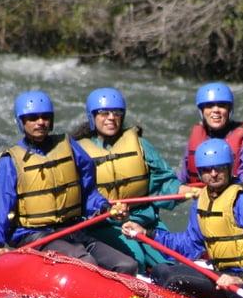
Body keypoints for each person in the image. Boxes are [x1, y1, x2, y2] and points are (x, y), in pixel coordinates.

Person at [0, 90, 138, 275]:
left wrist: (105, 208)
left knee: (127, 265)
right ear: (21, 122)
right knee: (86, 262)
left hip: (73, 230)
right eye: (33, 118)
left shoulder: (69, 147)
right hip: (35, 236)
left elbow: (88, 194)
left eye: (45, 117)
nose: (40, 122)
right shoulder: (10, 161)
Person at [123, 139, 243, 298]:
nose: (213, 174)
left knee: (173, 278)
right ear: (200, 172)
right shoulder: (203, 200)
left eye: (219, 167)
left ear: (229, 167)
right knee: (160, 270)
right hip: (223, 276)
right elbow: (189, 245)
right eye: (207, 170)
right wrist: (148, 233)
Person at [72, 87, 199, 271]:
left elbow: (162, 182)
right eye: (104, 113)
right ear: (92, 117)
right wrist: (105, 209)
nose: (111, 118)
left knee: (171, 261)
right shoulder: (79, 151)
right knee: (136, 259)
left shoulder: (140, 145)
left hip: (145, 220)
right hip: (105, 224)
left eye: (117, 113)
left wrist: (186, 191)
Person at [177, 82, 243, 184]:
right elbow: (181, 180)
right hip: (200, 193)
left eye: (222, 105)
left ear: (229, 110)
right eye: (209, 106)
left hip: (237, 192)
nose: (216, 110)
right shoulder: (196, 137)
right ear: (202, 111)